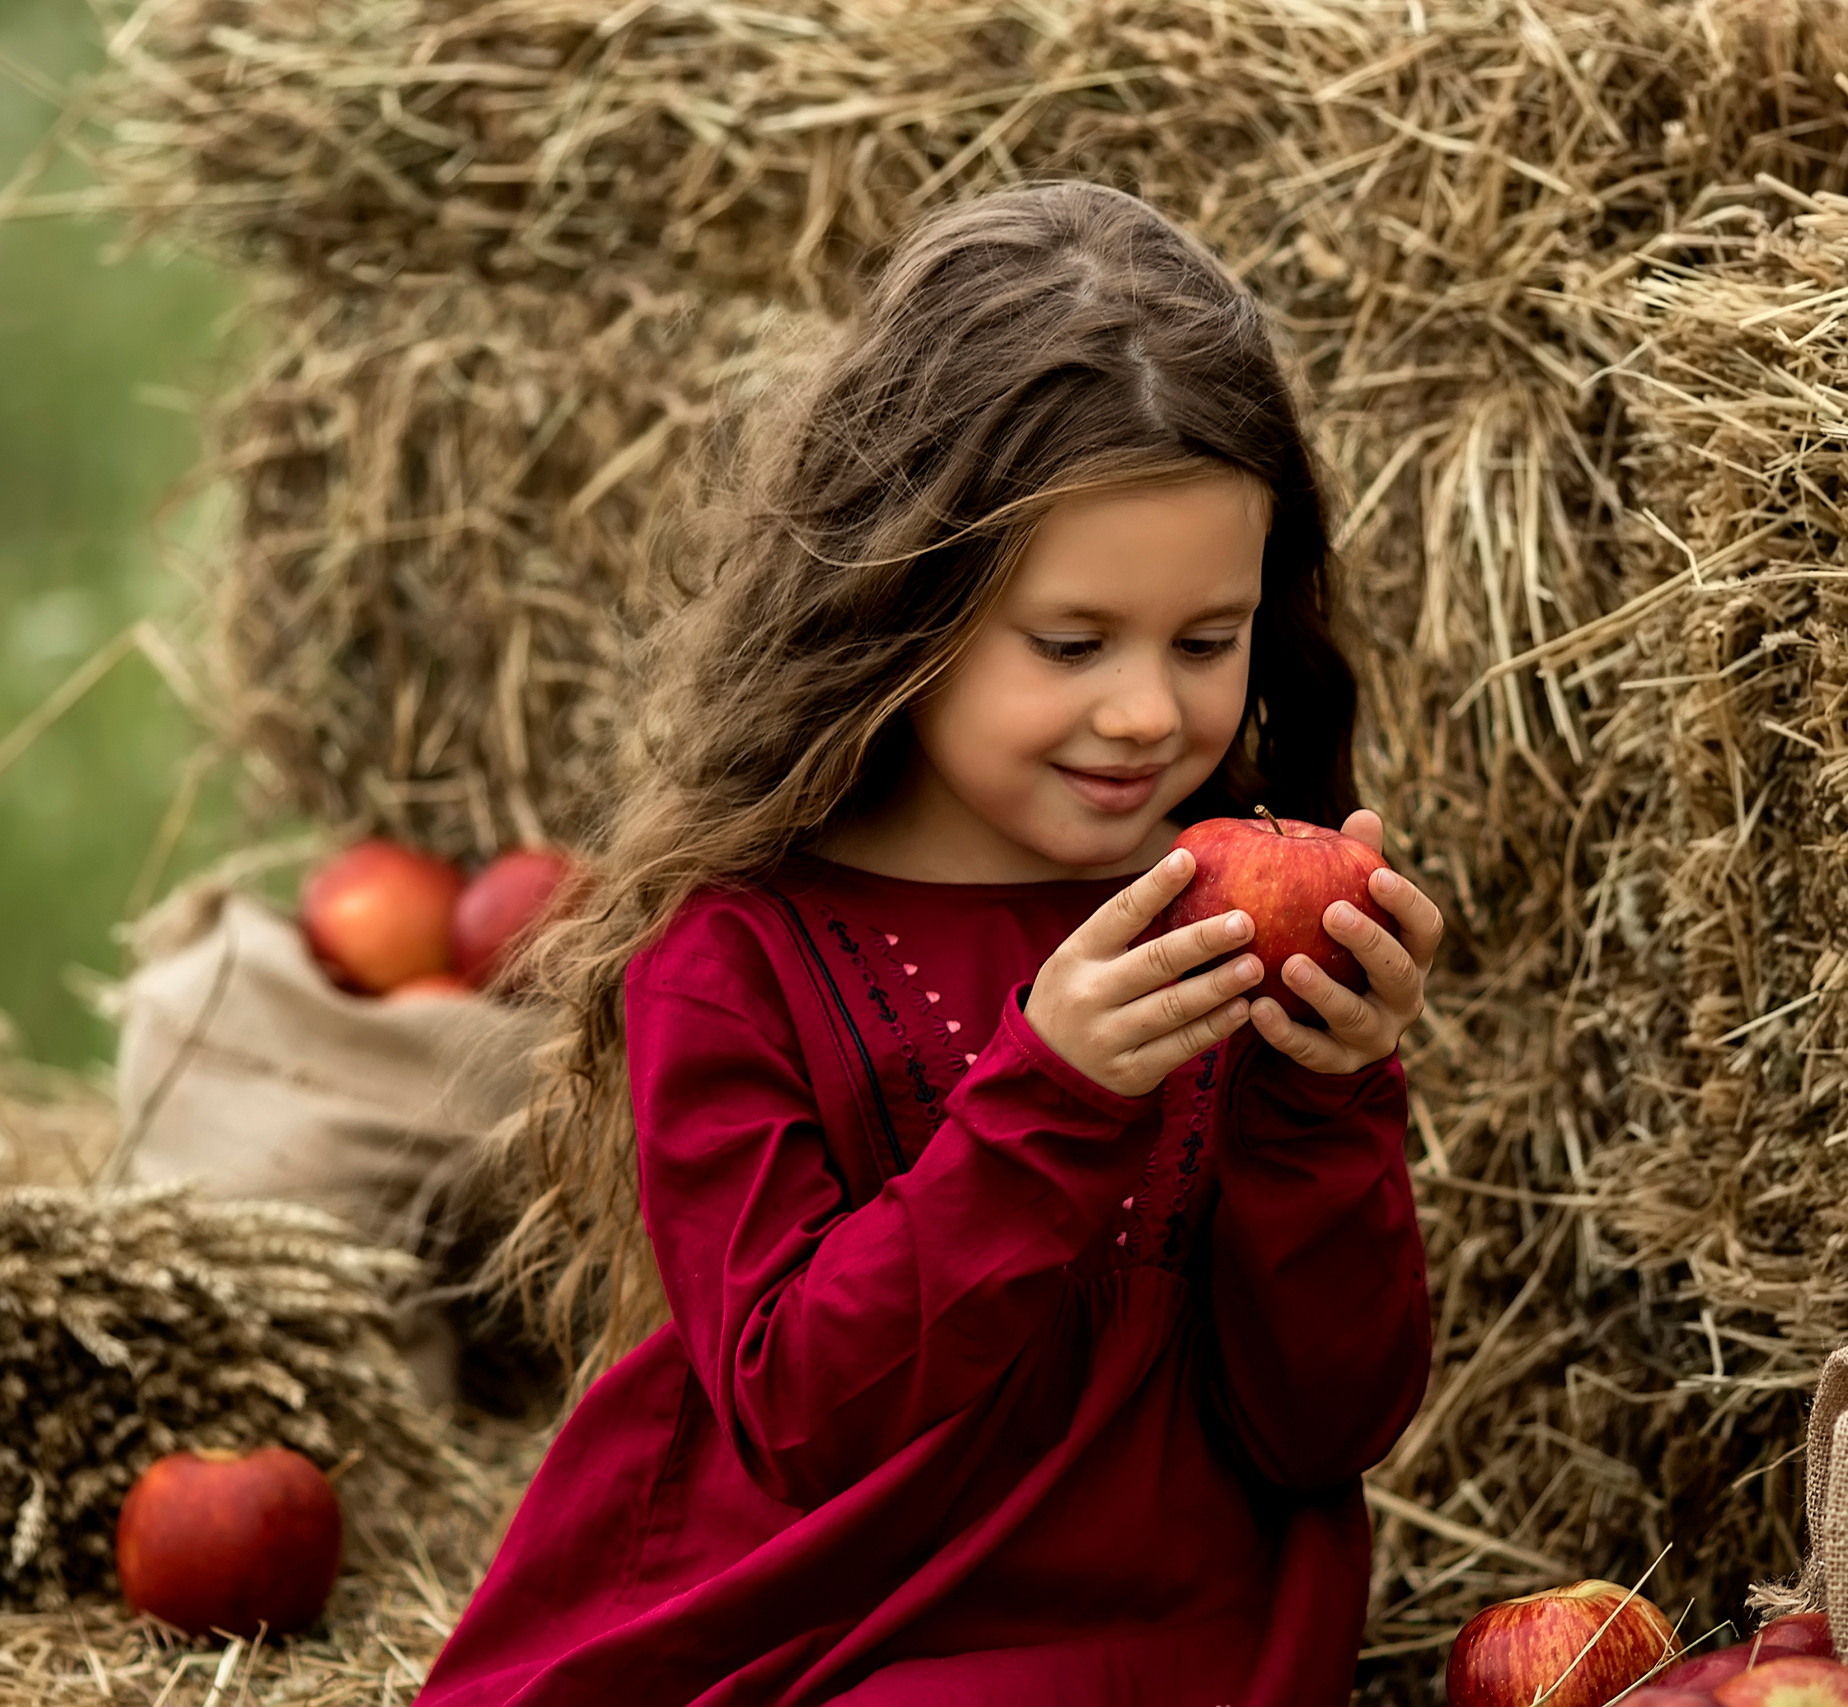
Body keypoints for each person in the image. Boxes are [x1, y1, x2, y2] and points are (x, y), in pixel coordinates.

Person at [419, 181, 1436, 1707]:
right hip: (830, 1627)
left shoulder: (1213, 924)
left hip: (1183, 1632)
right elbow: (804, 1412)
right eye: (1073, 643)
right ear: (906, 604)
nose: (1149, 711)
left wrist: (1324, 1093)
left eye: (1206, 641)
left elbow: (1326, 1421)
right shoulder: (737, 961)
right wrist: (1056, 1099)